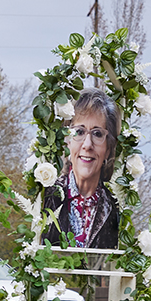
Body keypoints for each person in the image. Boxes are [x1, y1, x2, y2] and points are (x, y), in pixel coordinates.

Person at [42, 88, 120, 249]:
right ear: (67, 141)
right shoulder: (45, 196)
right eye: (79, 132)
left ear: (108, 148)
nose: (87, 145)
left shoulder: (116, 207)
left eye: (97, 134)